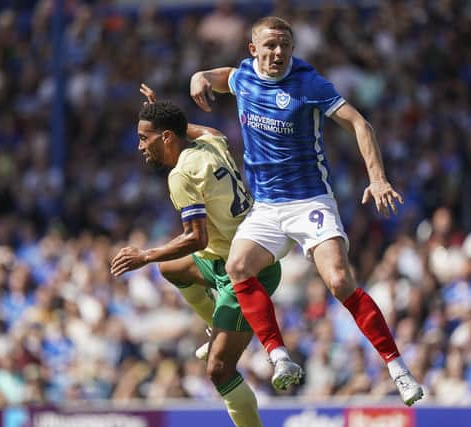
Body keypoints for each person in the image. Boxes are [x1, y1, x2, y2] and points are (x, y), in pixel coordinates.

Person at [189, 16, 423, 405]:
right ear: (254, 50)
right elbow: (222, 76)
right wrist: (200, 75)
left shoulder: (308, 83)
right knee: (237, 266)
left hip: (310, 200)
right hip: (266, 207)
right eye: (270, 46)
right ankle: (279, 357)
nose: (278, 53)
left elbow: (360, 124)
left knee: (338, 280)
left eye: (285, 45)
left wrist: (377, 178)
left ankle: (398, 368)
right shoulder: (243, 77)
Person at [110, 84, 284, 427]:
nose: (141, 146)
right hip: (236, 255)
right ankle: (213, 324)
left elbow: (195, 237)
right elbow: (206, 129)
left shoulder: (181, 175)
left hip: (246, 272)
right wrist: (164, 114)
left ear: (167, 138)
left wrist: (145, 255)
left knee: (218, 370)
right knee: (170, 268)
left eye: (146, 138)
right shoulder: (211, 142)